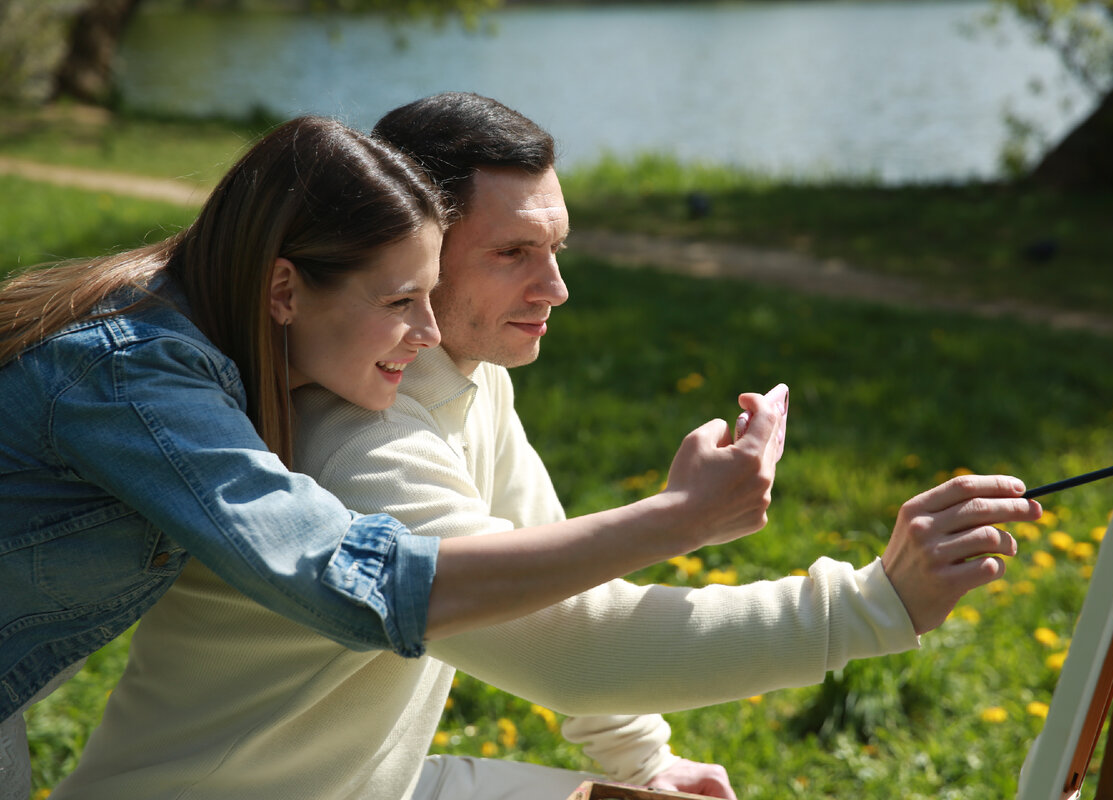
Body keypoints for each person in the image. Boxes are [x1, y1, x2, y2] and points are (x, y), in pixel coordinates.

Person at [47, 96, 1040, 800]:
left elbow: (549, 563)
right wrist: (876, 602)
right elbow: (579, 650)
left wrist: (637, 758)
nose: (555, 286)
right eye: (515, 253)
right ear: (415, 250)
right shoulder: (357, 437)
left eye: (557, 246)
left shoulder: (466, 384)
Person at [0, 115, 785, 800]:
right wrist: (675, 520)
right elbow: (353, 585)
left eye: (431, 295)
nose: (431, 334)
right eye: (400, 301)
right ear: (283, 290)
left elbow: (528, 547)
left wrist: (643, 757)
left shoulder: (206, 338)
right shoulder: (134, 377)